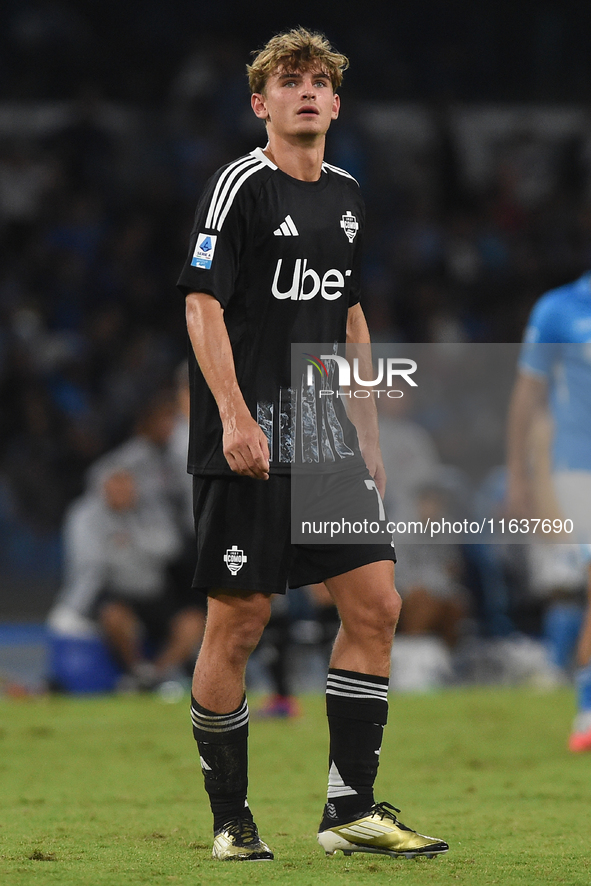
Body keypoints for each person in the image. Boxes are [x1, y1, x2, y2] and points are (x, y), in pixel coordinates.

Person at [176, 27, 448, 861]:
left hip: (323, 435)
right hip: (251, 433)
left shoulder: (348, 194)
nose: (304, 92)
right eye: (286, 81)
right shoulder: (239, 186)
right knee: (240, 622)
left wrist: (365, 431)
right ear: (260, 103)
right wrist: (232, 415)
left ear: (335, 102)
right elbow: (200, 303)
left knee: (376, 605)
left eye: (317, 82)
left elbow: (351, 314)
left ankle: (349, 809)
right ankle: (230, 819)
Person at [506, 270, 591, 751]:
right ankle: (587, 712)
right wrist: (520, 473)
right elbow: (527, 394)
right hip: (579, 467)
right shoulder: (559, 309)